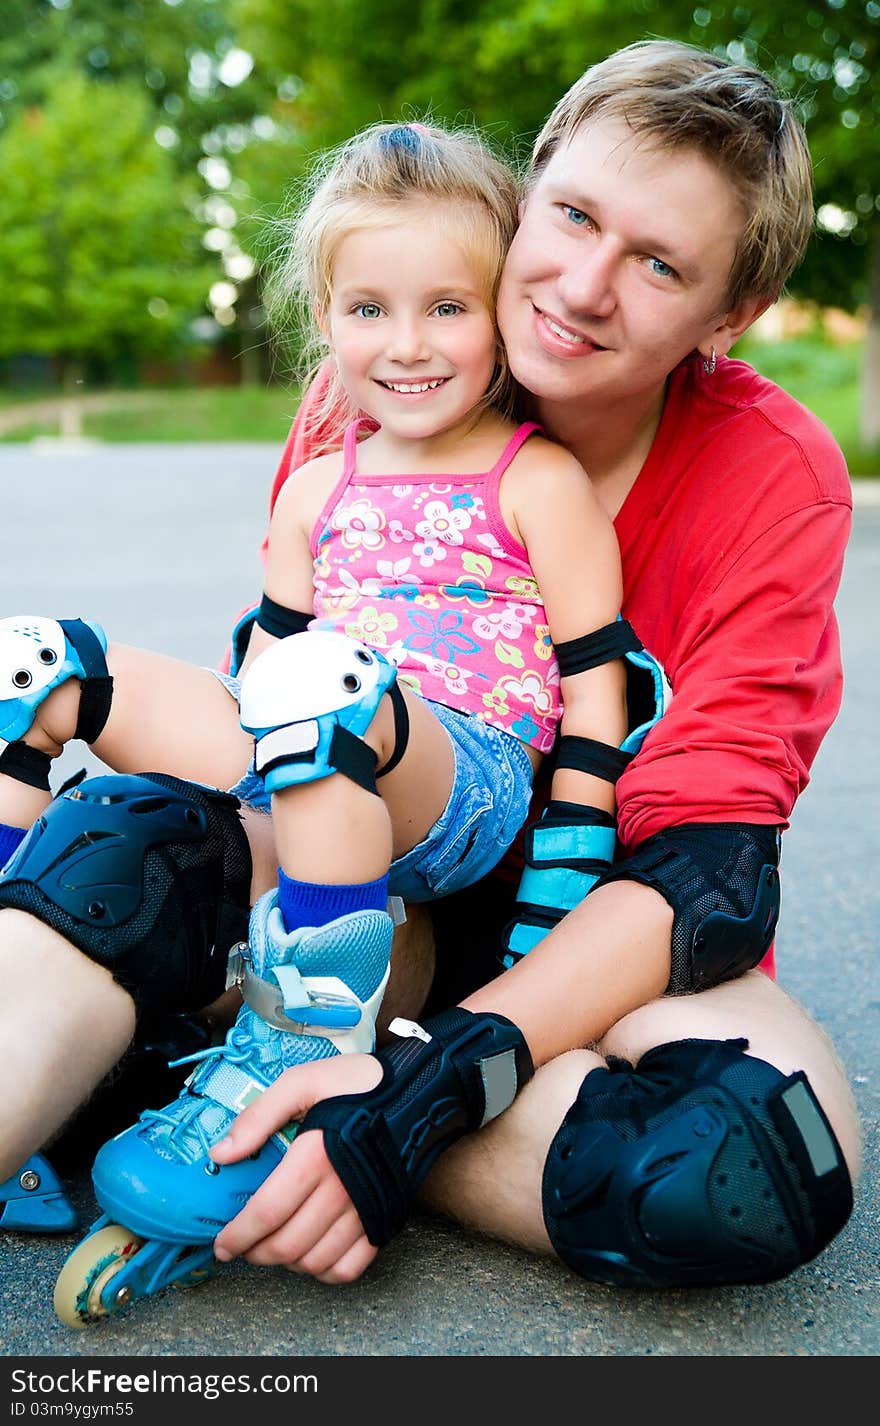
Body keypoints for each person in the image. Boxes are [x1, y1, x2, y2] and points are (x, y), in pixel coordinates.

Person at [0, 38, 859, 1304]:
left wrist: (431, 1089)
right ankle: (169, 1065)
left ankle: (260, 1091)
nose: (582, 285)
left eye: (660, 263)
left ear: (725, 317)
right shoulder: (388, 376)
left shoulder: (770, 474)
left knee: (744, 1161)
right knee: (127, 850)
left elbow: (708, 872)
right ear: (528, 191)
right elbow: (276, 690)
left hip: (581, 917)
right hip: (360, 871)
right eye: (569, 215)